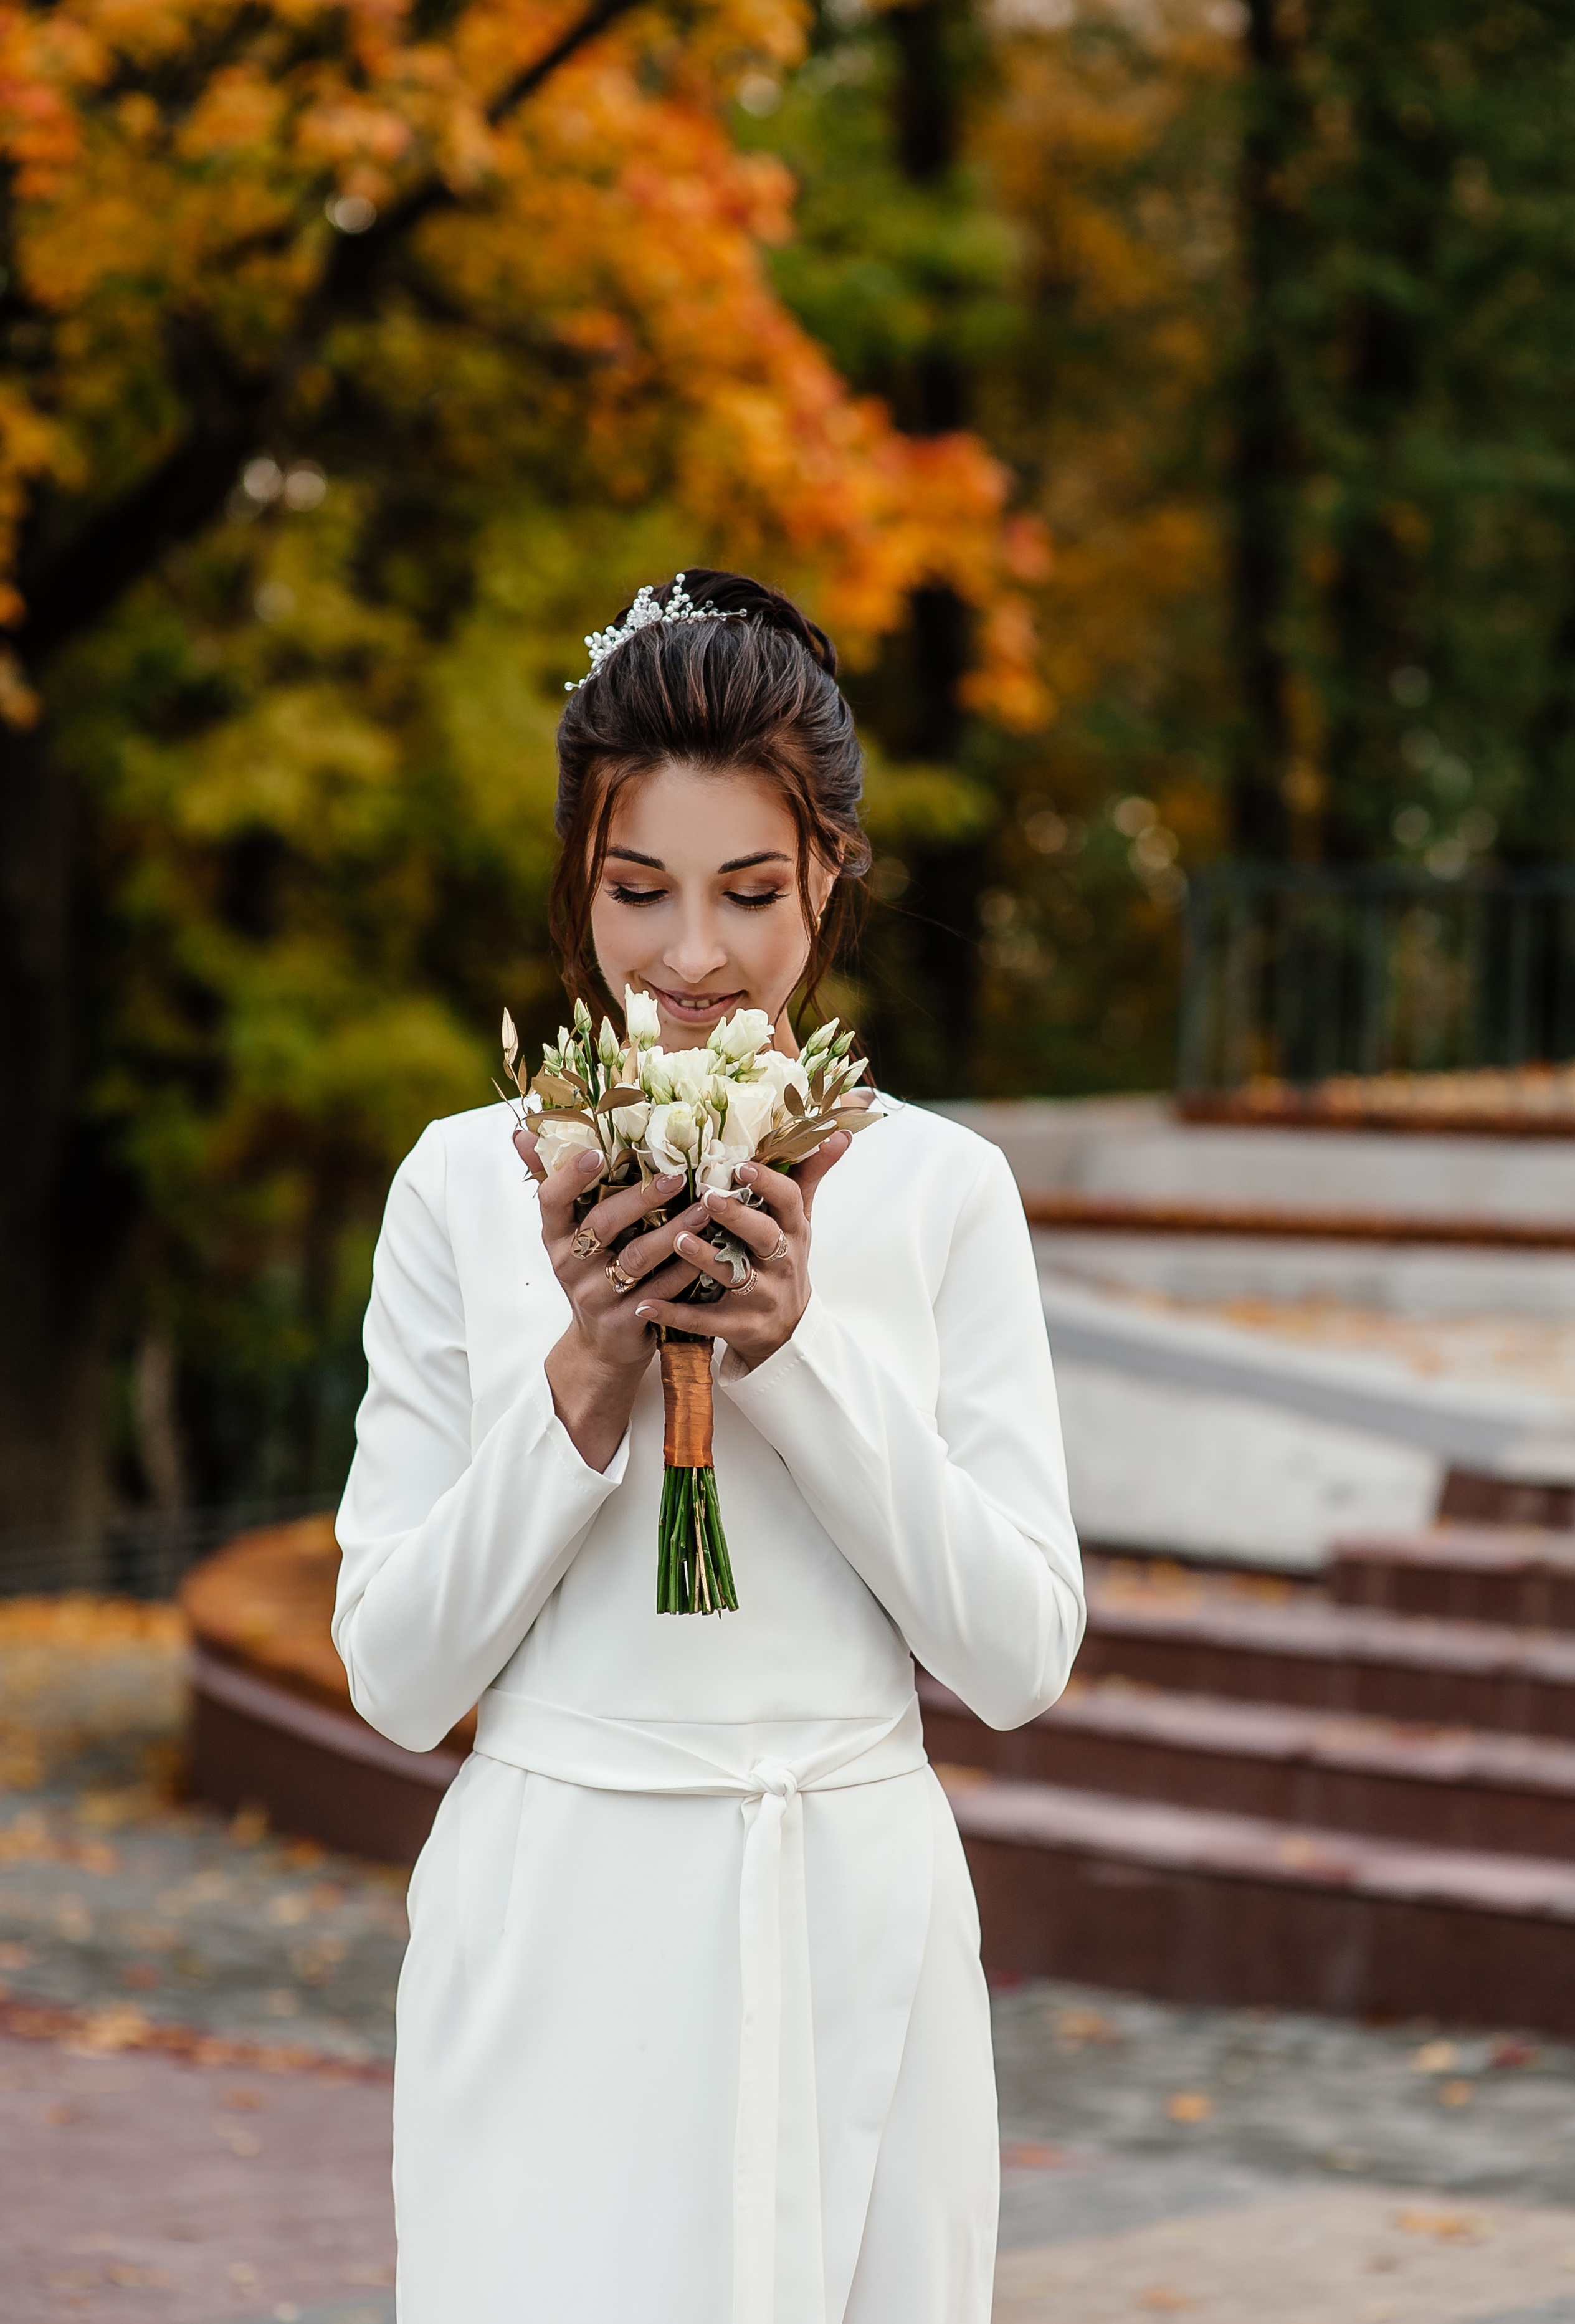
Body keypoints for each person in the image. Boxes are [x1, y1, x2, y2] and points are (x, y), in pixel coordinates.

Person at [332, 568, 1086, 2324]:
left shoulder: (942, 1190)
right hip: (558, 1914)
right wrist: (587, 1367)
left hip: (854, 1910)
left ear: (833, 870)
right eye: (636, 889)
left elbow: (1019, 1651)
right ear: (574, 883)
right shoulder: (463, 1181)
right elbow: (390, 1668)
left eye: (751, 890)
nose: (689, 957)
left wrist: (797, 1351)